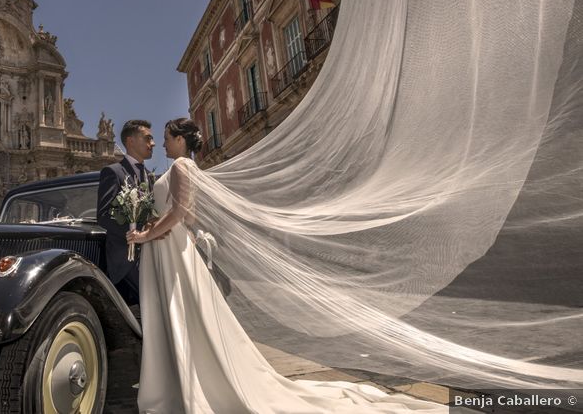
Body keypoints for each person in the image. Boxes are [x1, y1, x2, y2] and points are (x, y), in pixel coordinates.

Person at [126, 118, 444, 413]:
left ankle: (185, 386)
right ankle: (187, 380)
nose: (162, 144)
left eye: (166, 138)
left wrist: (146, 234)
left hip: (168, 246)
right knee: (184, 316)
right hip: (170, 246)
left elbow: (182, 213)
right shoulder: (184, 167)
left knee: (181, 315)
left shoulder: (181, 165)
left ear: (180, 140)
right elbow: (190, 216)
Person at [97, 119, 157, 306]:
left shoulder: (151, 176)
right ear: (130, 141)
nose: (152, 143)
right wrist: (134, 232)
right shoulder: (113, 172)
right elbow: (104, 215)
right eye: (148, 138)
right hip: (125, 262)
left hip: (152, 257)